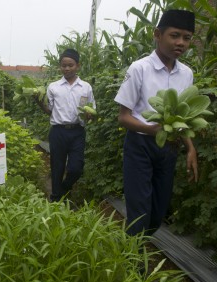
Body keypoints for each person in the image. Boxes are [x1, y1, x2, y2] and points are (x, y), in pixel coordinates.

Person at [114, 9, 198, 236]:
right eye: (175, 35)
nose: (180, 42)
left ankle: (137, 246)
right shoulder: (140, 69)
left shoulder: (186, 74)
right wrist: (153, 130)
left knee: (157, 214)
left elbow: (183, 120)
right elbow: (124, 117)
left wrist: (190, 148)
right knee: (139, 214)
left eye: (187, 38)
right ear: (157, 34)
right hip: (140, 147)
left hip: (169, 148)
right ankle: (133, 265)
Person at [36, 49, 95, 203]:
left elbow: (91, 111)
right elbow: (50, 110)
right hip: (58, 132)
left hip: (77, 132)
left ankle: (63, 190)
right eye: (64, 65)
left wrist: (89, 116)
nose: (67, 68)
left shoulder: (85, 87)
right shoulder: (53, 87)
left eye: (70, 65)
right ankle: (56, 200)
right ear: (60, 67)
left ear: (78, 66)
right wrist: (39, 103)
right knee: (57, 167)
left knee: (76, 168)